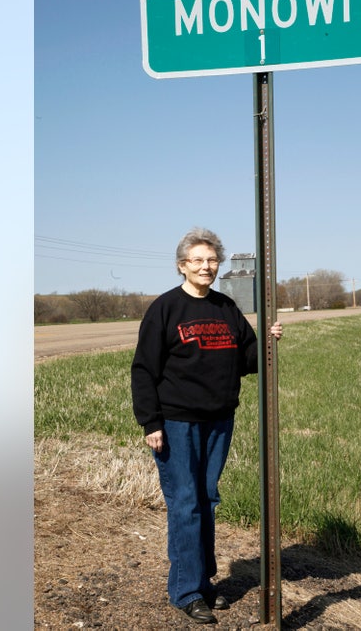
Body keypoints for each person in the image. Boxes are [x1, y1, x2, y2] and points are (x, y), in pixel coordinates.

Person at [131, 227, 283, 625]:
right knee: (185, 503)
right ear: (182, 265)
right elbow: (143, 369)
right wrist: (151, 422)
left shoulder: (225, 308)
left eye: (212, 260)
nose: (206, 266)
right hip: (177, 422)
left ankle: (203, 581)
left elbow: (247, 359)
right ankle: (186, 591)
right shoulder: (165, 309)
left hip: (219, 420)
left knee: (207, 499)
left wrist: (268, 342)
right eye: (197, 260)